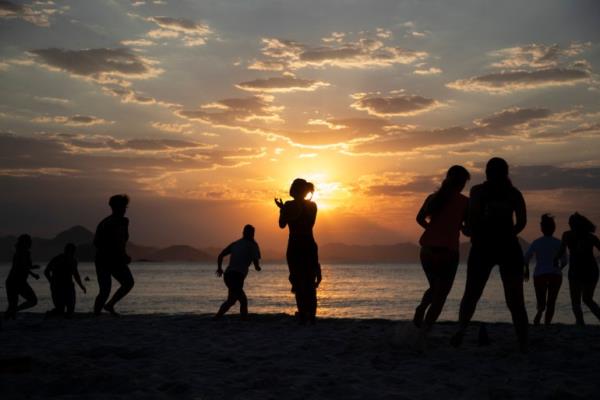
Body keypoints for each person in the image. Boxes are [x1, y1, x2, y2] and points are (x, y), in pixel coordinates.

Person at [451, 157, 529, 352]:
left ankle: (461, 331)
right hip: (508, 247)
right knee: (515, 300)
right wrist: (508, 233)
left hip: (483, 247)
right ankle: (523, 342)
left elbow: (473, 220)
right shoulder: (513, 194)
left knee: (471, 294)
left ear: (487, 173)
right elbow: (521, 222)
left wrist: (468, 230)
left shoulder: (478, 191)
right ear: (506, 173)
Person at [414, 165, 470, 338]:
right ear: (461, 183)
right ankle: (425, 332)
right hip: (448, 253)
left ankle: (422, 307)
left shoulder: (433, 197)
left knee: (434, 287)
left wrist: (432, 228)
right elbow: (468, 230)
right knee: (440, 296)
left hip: (427, 251)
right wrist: (460, 227)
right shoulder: (464, 202)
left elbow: (419, 218)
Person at [275, 178, 322, 324]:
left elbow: (282, 224)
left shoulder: (290, 205)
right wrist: (285, 210)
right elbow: (305, 223)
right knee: (308, 282)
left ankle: (303, 316)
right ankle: (310, 317)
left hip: (296, 245)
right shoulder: (312, 206)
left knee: (299, 282)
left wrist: (283, 210)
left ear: (295, 190)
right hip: (308, 244)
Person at [555, 213, 600, 325]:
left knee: (578, 300)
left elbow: (561, 251)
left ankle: (580, 322)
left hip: (580, 270)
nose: (569, 225)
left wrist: (555, 259)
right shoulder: (590, 237)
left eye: (571, 223)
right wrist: (555, 259)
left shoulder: (568, 235)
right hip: (588, 270)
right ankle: (580, 322)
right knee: (586, 299)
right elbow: (561, 251)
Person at [93, 194, 134, 316]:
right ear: (114, 207)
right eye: (122, 207)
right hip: (104, 260)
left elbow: (121, 241)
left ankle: (109, 305)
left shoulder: (124, 222)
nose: (124, 210)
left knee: (128, 283)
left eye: (125, 207)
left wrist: (123, 255)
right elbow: (97, 243)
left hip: (117, 259)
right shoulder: (107, 223)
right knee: (105, 290)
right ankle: (96, 314)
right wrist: (115, 253)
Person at [523, 214, 566, 325]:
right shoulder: (558, 243)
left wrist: (526, 270)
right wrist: (559, 268)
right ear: (554, 228)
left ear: (542, 228)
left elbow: (526, 258)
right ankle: (547, 324)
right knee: (551, 302)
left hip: (540, 275)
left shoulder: (536, 242)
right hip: (555, 275)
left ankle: (540, 311)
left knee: (541, 300)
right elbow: (565, 261)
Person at [214, 225, 262, 319]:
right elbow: (256, 262)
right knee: (243, 300)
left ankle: (217, 317)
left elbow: (221, 255)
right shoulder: (253, 245)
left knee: (231, 300)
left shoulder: (236, 243)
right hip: (236, 276)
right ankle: (244, 320)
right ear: (252, 234)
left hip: (228, 275)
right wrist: (257, 267)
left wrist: (220, 268)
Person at [44, 243, 87, 317]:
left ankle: (56, 312)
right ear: (66, 251)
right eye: (70, 251)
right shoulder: (57, 259)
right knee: (60, 310)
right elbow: (46, 271)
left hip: (69, 286)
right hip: (58, 287)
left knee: (70, 310)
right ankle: (50, 313)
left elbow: (76, 275)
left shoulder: (73, 261)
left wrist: (81, 286)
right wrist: (51, 282)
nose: (72, 253)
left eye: (73, 251)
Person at [4, 234, 40, 320]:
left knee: (12, 305)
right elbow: (23, 267)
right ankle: (12, 313)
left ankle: (10, 315)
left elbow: (24, 266)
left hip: (15, 281)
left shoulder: (23, 252)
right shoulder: (22, 252)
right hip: (16, 281)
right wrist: (33, 274)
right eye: (29, 241)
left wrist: (32, 268)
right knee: (32, 300)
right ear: (25, 243)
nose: (31, 243)